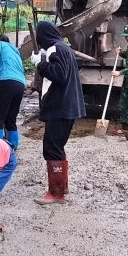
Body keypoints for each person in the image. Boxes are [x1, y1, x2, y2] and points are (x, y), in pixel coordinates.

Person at [31, 21, 85, 205]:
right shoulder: (65, 48)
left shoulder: (55, 48)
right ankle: (62, 186)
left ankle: (56, 193)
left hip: (59, 106)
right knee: (57, 147)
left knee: (51, 148)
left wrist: (40, 63)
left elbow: (58, 75)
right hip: (67, 107)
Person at [0, 34, 26, 148]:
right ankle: (13, 146)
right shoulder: (15, 50)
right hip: (20, 84)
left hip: (7, 82)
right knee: (11, 118)